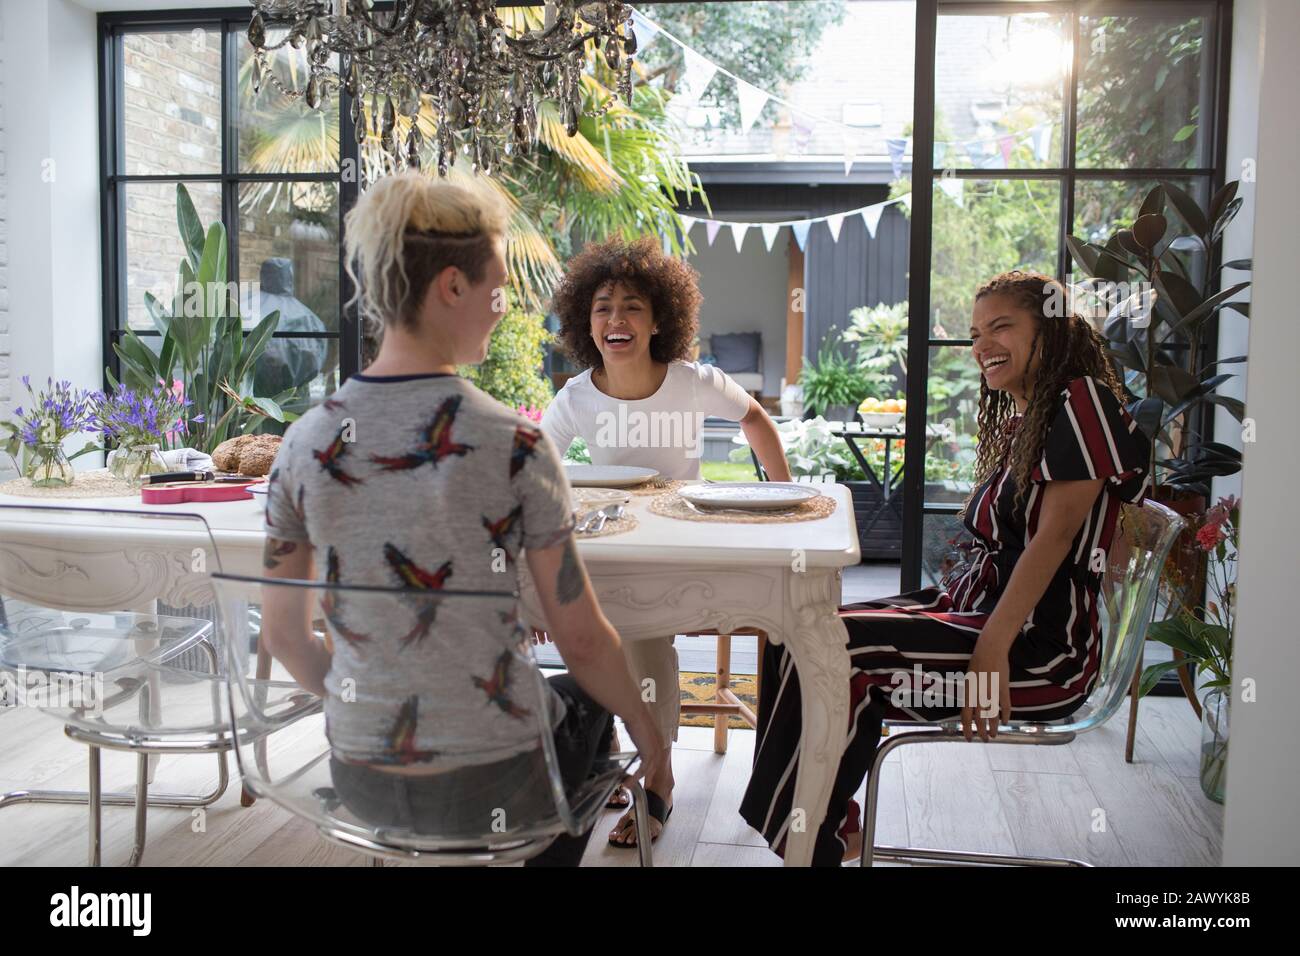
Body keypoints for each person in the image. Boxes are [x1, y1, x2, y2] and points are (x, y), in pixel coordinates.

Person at [257, 172, 667, 867]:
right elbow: (584, 641)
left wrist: (373, 713)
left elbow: (284, 638)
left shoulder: (302, 443)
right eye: (497, 288)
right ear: (452, 286)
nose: (504, 309)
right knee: (593, 707)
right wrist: (655, 745)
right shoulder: (516, 445)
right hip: (497, 779)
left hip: (358, 779)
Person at [740, 270, 1152, 866]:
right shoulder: (1028, 417)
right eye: (976, 332)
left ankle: (814, 842)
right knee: (795, 632)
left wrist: (991, 647)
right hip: (978, 613)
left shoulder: (1081, 401)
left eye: (1002, 326)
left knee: (841, 650)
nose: (982, 344)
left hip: (1041, 653)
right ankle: (822, 829)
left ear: (1052, 328)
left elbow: (1057, 537)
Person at [536, 235, 792, 849]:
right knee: (591, 641)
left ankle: (659, 781)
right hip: (606, 542)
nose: (615, 319)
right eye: (602, 307)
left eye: (632, 307)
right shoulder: (576, 395)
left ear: (658, 322)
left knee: (645, 648)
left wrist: (784, 501)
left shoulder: (692, 381)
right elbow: (536, 469)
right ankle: (608, 763)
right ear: (585, 323)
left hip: (678, 546)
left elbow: (755, 419)